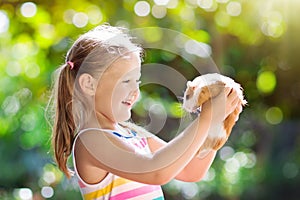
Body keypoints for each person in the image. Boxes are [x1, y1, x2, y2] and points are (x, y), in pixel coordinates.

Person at [47, 24, 241, 200]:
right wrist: (206, 119)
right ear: (89, 84)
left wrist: (220, 122)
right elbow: (157, 171)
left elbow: (191, 170)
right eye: (126, 81)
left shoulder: (133, 136)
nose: (135, 91)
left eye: (137, 81)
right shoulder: (91, 141)